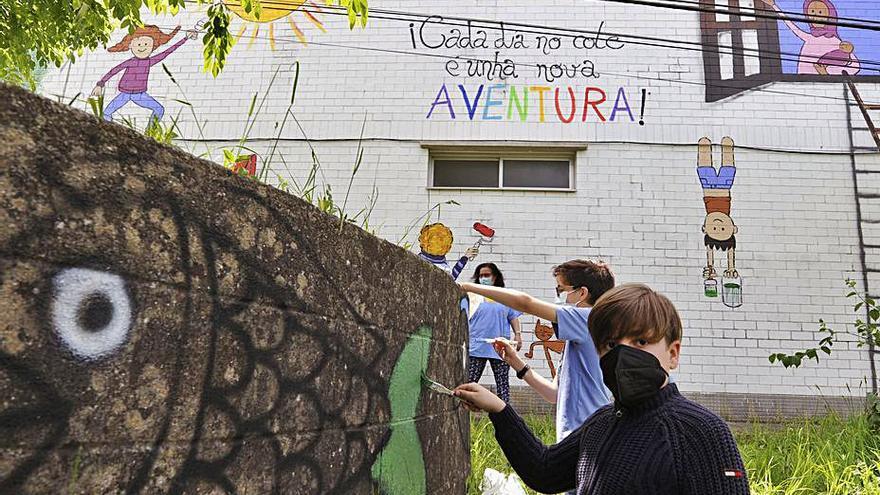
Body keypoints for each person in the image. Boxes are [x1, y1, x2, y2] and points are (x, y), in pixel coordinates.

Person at [454, 284, 750, 495]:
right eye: (610, 345)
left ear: (673, 354)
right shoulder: (601, 422)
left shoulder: (701, 432)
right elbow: (543, 472)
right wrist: (500, 410)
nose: (623, 356)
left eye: (641, 342)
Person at [459, 259, 614, 443]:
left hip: (586, 433)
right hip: (581, 435)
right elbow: (554, 394)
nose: (560, 297)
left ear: (582, 293)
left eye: (562, 290)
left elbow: (525, 303)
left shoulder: (587, 319)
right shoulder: (580, 336)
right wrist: (515, 361)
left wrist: (468, 287)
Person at [91, 25, 197, 123]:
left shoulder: (149, 61)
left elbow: (167, 52)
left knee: (159, 109)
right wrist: (100, 84)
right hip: (124, 94)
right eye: (138, 44)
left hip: (140, 95)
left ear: (153, 47)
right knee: (106, 113)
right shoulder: (130, 62)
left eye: (146, 44)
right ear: (131, 45)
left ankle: (150, 132)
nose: (142, 47)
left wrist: (185, 38)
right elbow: (114, 70)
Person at [467, 263, 523, 403]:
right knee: (469, 383)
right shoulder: (473, 297)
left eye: (487, 275)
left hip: (500, 347)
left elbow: (513, 317)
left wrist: (518, 334)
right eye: (480, 276)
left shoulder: (504, 297)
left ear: (495, 277)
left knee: (503, 385)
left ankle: (506, 418)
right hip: (477, 346)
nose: (483, 278)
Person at [763, 0, 860, 75]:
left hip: (827, 87)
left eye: (820, 12)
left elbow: (855, 66)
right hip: (804, 84)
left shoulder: (836, 42)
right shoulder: (809, 38)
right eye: (812, 12)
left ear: (830, 16)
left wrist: (826, 73)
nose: (814, 16)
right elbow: (791, 25)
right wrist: (774, 6)